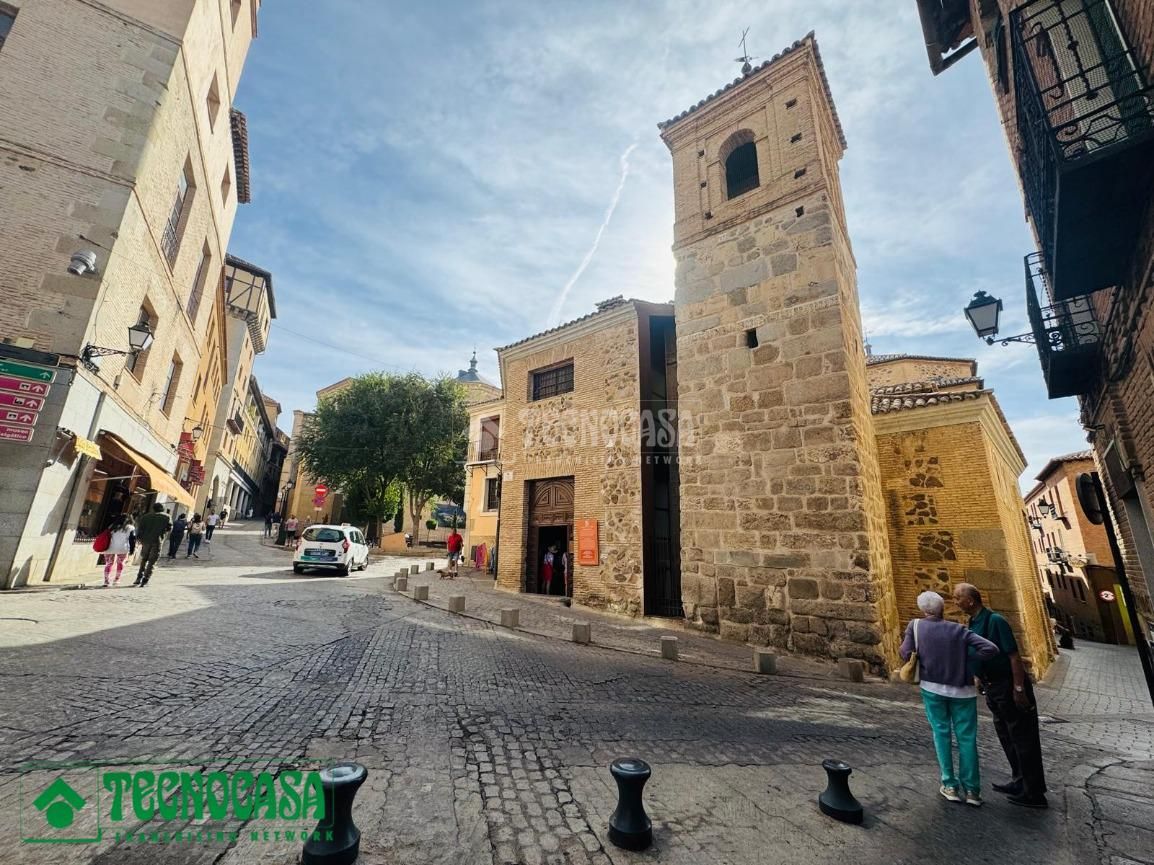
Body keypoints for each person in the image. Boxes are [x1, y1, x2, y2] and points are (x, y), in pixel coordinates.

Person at [953, 582, 1049, 809]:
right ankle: (1019, 781)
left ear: (971, 600)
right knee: (1007, 735)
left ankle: (1034, 792)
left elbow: (1014, 657)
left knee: (1023, 738)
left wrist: (1018, 688)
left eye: (958, 597)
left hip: (1008, 686)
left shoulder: (995, 621)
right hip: (993, 686)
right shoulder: (973, 621)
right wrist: (978, 678)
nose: (955, 601)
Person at [900, 590, 999, 806]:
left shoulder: (916, 626)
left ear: (923, 610)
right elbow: (990, 649)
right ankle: (972, 791)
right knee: (967, 738)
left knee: (941, 734)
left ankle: (950, 784)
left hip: (932, 688)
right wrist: (966, 659)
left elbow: (905, 653)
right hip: (963, 691)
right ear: (942, 608)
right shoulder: (959, 630)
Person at [133, 503, 171, 586]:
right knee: (152, 560)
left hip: (145, 540)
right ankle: (145, 579)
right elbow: (169, 528)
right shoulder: (166, 517)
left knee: (144, 559)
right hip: (157, 540)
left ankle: (139, 577)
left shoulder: (146, 516)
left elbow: (140, 529)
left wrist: (139, 539)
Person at [101, 514, 135, 587]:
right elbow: (132, 539)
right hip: (122, 548)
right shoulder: (130, 528)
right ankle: (116, 580)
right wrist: (132, 550)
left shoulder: (112, 526)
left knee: (109, 563)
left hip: (110, 547)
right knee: (120, 563)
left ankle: (106, 581)